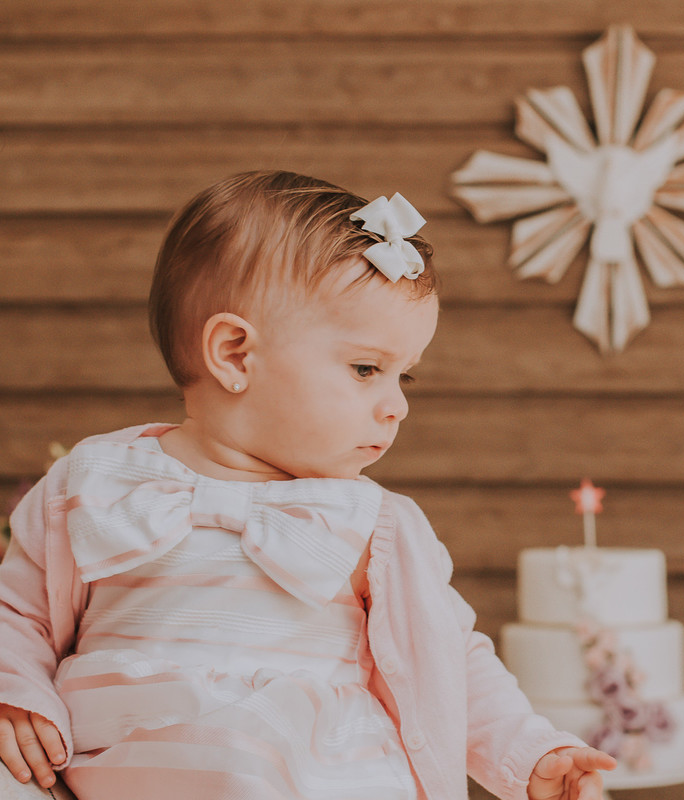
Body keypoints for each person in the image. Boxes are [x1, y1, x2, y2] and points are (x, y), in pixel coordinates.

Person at [0, 171, 616, 800]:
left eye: (406, 377)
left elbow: (450, 660)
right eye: (367, 369)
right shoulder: (96, 480)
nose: (395, 406)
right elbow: (15, 613)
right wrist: (13, 692)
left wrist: (530, 753)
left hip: (312, 776)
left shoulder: (373, 525)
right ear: (236, 354)